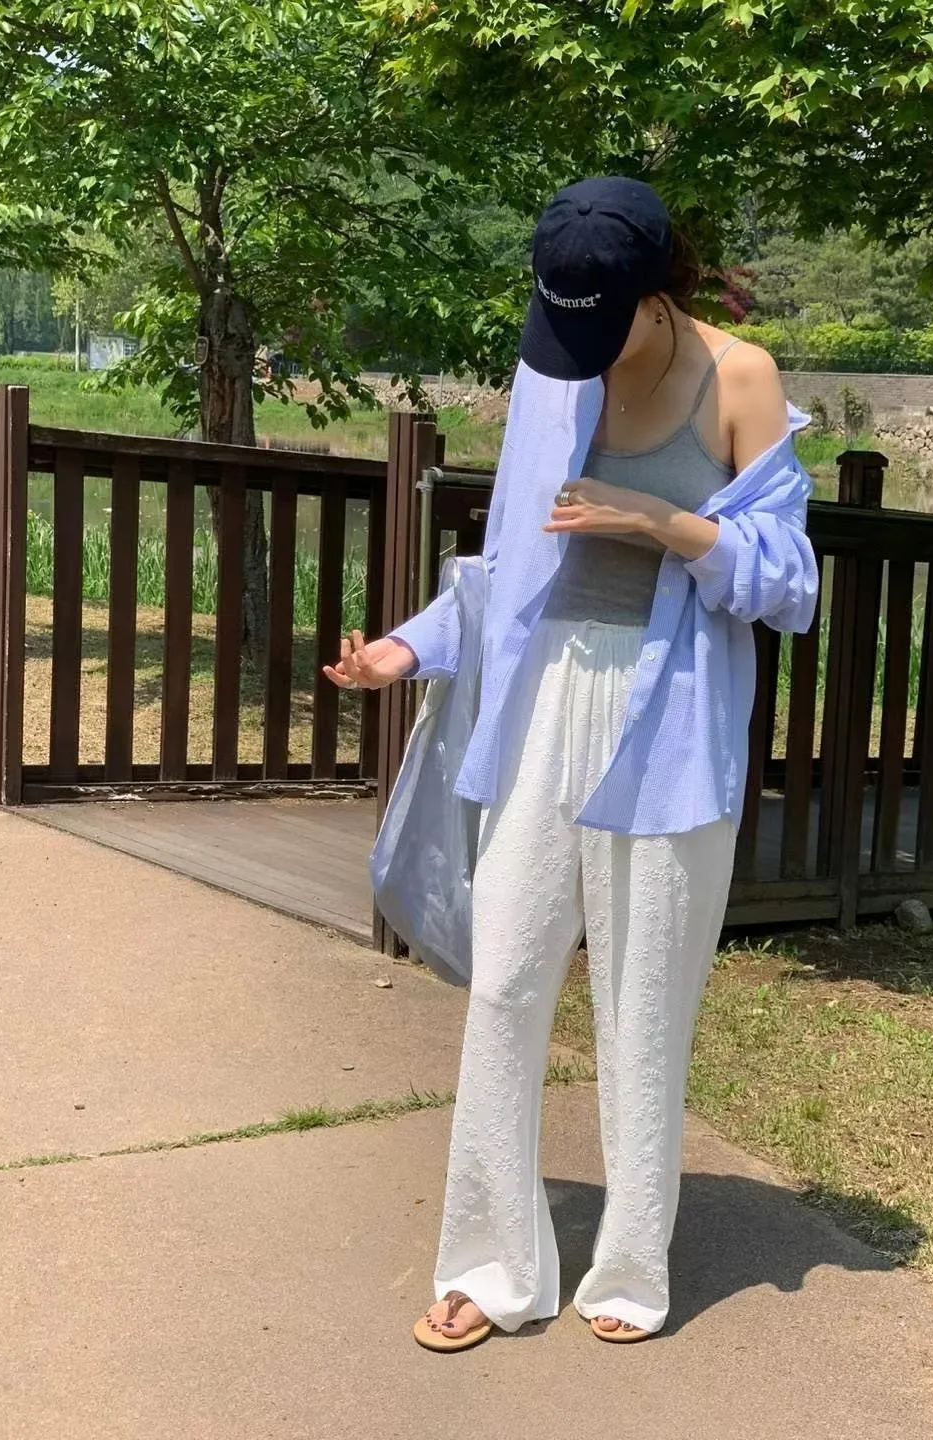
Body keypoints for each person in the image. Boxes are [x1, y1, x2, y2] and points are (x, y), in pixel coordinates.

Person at [324, 176, 818, 1350]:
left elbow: (789, 584)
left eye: (600, 327)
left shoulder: (740, 379)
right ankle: (491, 1266)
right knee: (503, 985)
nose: (576, 353)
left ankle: (631, 1268)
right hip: (544, 701)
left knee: (645, 1005)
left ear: (654, 297)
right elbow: (510, 570)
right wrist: (407, 647)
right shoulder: (555, 371)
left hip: (671, 721)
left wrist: (659, 522)